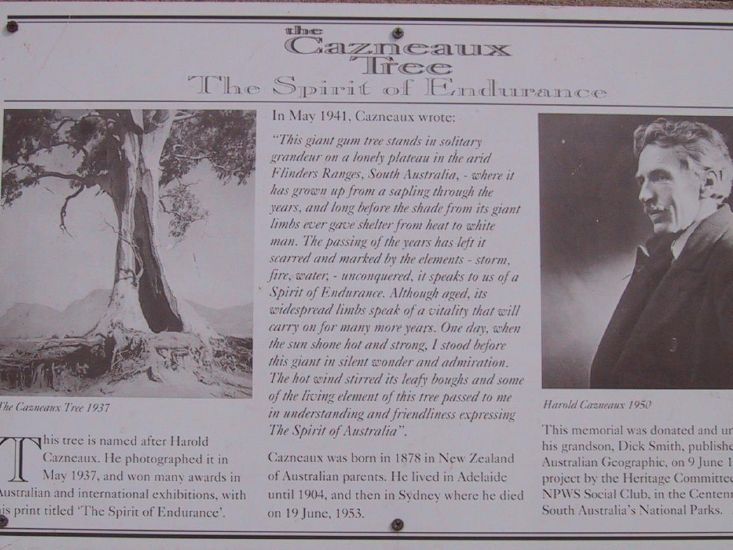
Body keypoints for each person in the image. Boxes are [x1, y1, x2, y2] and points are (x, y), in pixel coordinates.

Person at [590, 119, 733, 388]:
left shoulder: (727, 259)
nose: (644, 195)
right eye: (642, 180)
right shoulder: (666, 258)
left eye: (660, 177)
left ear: (710, 182)